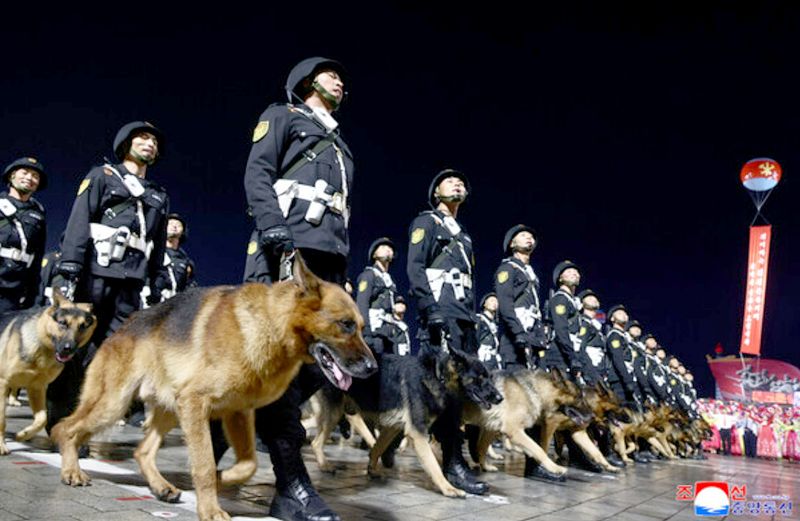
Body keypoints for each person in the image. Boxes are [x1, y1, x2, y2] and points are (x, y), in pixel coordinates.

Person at [237, 57, 353, 521]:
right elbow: (258, 174)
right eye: (330, 74)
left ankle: (238, 418)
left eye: (341, 77)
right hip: (286, 250)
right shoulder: (282, 116)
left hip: (327, 261)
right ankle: (290, 485)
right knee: (279, 357)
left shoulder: (342, 145)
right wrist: (275, 231)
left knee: (323, 361)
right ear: (307, 82)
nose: (339, 80)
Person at [47, 121, 169, 432]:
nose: (150, 144)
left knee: (118, 350)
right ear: (126, 143)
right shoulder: (102, 176)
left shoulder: (158, 195)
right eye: (142, 138)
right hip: (96, 275)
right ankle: (60, 420)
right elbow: (79, 221)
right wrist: (69, 267)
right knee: (75, 346)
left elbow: (156, 245)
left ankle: (88, 419)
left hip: (132, 282)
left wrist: (155, 282)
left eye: (154, 141)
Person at [407, 168, 488, 495]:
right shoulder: (427, 222)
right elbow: (415, 268)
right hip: (442, 314)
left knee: (463, 390)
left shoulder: (463, 235)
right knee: (447, 390)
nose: (458, 184)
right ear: (435, 192)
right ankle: (453, 462)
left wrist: (473, 319)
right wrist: (431, 309)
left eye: (462, 182)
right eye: (450, 180)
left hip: (464, 318)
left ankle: (451, 454)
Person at [0, 157, 47, 313]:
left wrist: (33, 293)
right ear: (12, 175)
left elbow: (37, 255)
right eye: (25, 172)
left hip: (16, 287)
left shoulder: (38, 213)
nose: (29, 178)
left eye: (35, 176)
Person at [494, 225, 544, 369]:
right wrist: (518, 332)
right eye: (523, 235)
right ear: (512, 244)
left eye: (531, 236)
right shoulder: (507, 268)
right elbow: (505, 304)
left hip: (532, 336)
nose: (529, 238)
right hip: (514, 338)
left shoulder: (531, 274)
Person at [355, 237, 397, 356]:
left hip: (388, 334)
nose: (387, 250)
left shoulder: (389, 280)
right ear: (374, 254)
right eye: (382, 247)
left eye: (390, 248)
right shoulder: (369, 275)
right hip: (374, 333)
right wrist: (366, 332)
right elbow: (362, 303)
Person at [542, 260, 583, 379]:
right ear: (560, 278)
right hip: (560, 356)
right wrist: (572, 357)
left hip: (569, 354)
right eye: (568, 272)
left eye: (576, 272)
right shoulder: (560, 299)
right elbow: (561, 330)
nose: (574, 274)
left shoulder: (571, 301)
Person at [146, 213, 196, 304]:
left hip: (174, 304)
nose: (174, 226)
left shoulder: (185, 261)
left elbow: (187, 285)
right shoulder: (150, 250)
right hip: (150, 300)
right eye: (170, 224)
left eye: (178, 225)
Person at [575, 288, 606, 386]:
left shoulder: (596, 326)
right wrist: (591, 374)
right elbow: (580, 348)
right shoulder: (584, 323)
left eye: (595, 298)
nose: (593, 299)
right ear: (582, 304)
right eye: (589, 298)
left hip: (598, 369)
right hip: (590, 371)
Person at [476, 292, 501, 370]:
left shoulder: (497, 323)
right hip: (484, 357)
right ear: (484, 304)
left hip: (494, 358)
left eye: (496, 301)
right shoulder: (479, 320)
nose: (494, 303)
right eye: (491, 301)